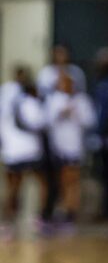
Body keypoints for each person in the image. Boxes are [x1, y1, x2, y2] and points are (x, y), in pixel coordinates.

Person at [0, 66, 47, 237]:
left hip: (17, 149)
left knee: (17, 185)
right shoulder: (20, 96)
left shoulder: (12, 94)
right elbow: (39, 122)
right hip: (22, 148)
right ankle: (16, 218)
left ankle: (11, 220)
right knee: (18, 185)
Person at [45, 72, 96, 225]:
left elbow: (90, 121)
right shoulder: (54, 100)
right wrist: (61, 113)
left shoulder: (82, 100)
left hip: (75, 147)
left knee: (72, 179)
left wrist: (76, 112)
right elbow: (46, 121)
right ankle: (61, 208)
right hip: (57, 147)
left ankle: (71, 210)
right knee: (59, 180)